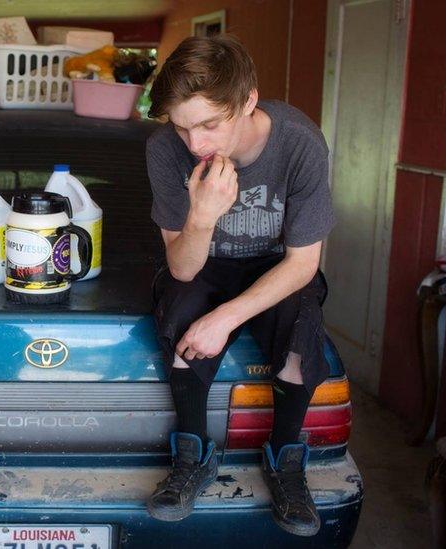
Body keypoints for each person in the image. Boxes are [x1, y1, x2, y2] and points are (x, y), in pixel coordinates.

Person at [144, 34, 335, 537]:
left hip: (277, 268)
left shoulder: (300, 143)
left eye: (209, 124)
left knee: (300, 337)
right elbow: (183, 269)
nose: (196, 144)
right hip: (203, 263)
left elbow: (302, 265)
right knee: (181, 321)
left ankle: (286, 463)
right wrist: (202, 218)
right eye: (183, 127)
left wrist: (227, 318)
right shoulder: (165, 149)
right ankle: (192, 457)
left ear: (248, 100)